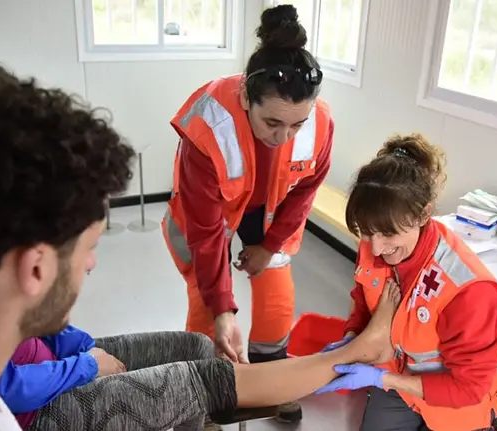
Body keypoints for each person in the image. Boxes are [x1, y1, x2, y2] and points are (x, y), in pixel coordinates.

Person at [0, 51, 398, 431]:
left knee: (200, 351)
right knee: (207, 375)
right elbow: (205, 235)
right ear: (33, 266)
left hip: (53, 365)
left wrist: (79, 351)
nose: (94, 264)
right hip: (48, 394)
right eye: (89, 248)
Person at [162, 4, 334, 423]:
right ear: (245, 98)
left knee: (277, 297)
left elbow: (306, 189)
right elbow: (205, 232)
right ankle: (202, 393)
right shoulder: (209, 126)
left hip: (271, 210)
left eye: (296, 125)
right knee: (206, 307)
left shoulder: (319, 123)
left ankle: (270, 379)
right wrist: (224, 310)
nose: (284, 137)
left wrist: (269, 246)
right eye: (272, 122)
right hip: (212, 212)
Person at [316, 133, 497, 431]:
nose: (376, 249)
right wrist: (354, 337)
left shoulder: (467, 289)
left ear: (423, 215)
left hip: (454, 398)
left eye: (388, 234)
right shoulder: (375, 243)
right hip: (399, 380)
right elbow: (363, 300)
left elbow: (469, 387)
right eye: (366, 232)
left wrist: (382, 379)